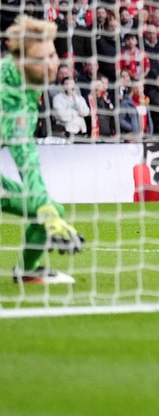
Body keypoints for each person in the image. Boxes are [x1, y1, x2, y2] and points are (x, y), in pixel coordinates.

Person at [2, 16, 86, 284]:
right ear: (22, 61)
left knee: (50, 209)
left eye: (52, 55)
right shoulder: (12, 100)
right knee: (47, 209)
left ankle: (28, 272)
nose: (52, 64)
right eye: (41, 59)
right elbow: (27, 161)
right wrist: (47, 212)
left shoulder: (15, 75)